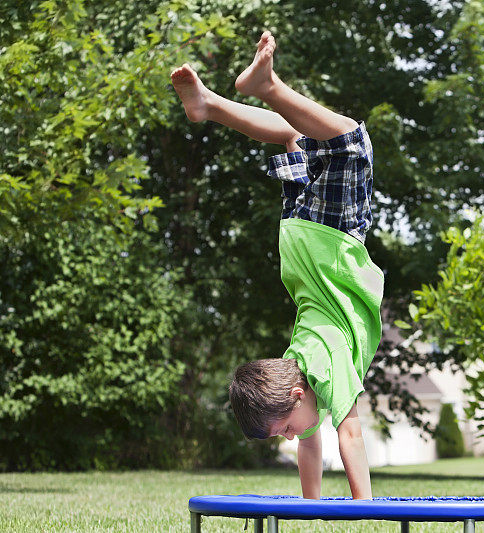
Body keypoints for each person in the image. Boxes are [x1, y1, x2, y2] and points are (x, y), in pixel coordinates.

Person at [170, 31, 384, 500]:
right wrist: (312, 509)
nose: (291, 436)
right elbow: (311, 446)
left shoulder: (326, 372)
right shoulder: (295, 370)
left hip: (327, 244)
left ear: (295, 397)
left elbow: (349, 435)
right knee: (295, 134)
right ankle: (209, 105)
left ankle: (269, 86)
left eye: (285, 427)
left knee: (352, 143)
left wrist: (365, 508)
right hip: (297, 244)